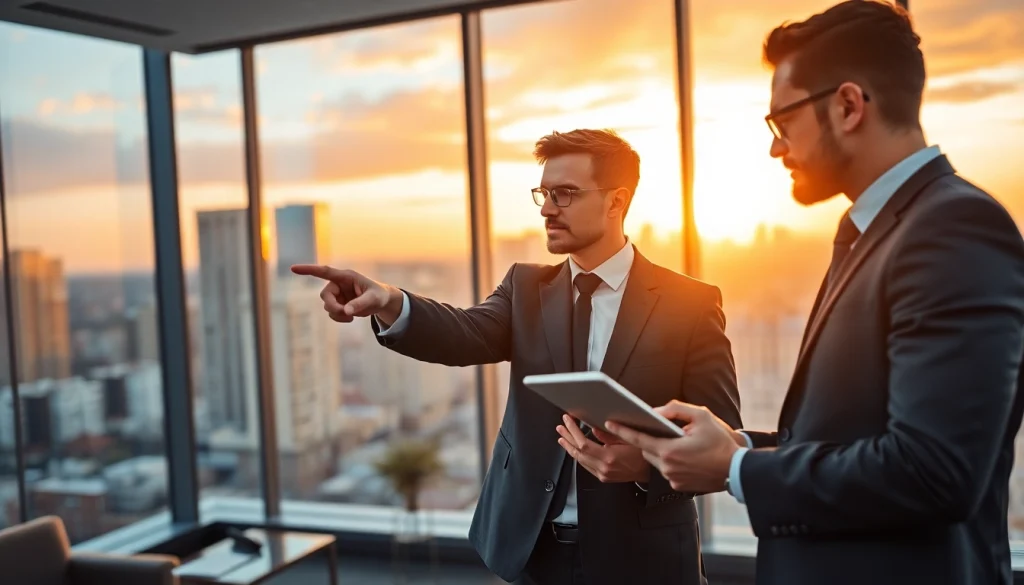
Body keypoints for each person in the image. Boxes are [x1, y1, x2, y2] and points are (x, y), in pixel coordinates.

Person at [607, 2, 1024, 585]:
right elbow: (850, 438)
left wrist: (737, 469)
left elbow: (932, 471)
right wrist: (733, 445)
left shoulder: (952, 230)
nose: (776, 149)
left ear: (848, 106)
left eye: (783, 122)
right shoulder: (880, 231)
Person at [292, 129, 742, 585]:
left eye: (565, 194)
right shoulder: (526, 287)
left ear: (616, 201)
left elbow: (722, 434)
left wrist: (645, 467)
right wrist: (389, 300)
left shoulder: (690, 304)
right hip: (532, 554)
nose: (547, 209)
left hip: (643, 561)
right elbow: (463, 332)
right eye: (544, 194)